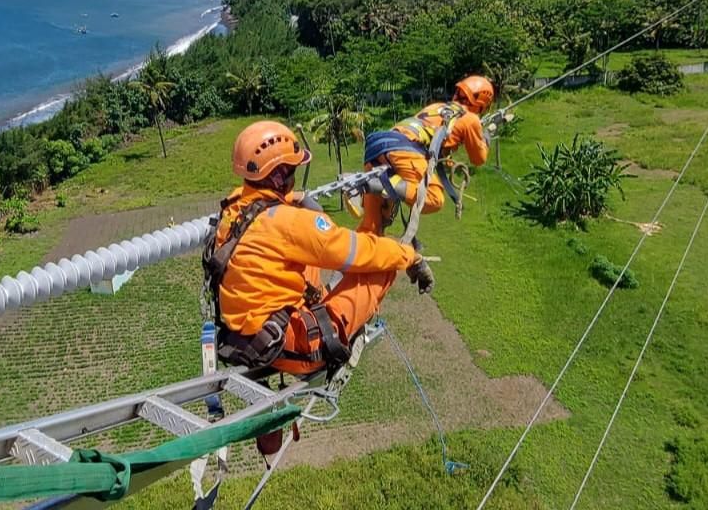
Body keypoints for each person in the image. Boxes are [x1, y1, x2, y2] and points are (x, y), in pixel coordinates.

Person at [205, 121, 434, 376]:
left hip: (249, 337)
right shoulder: (290, 223)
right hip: (292, 348)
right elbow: (357, 253)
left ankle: (316, 305)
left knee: (306, 260)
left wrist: (298, 197)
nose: (293, 177)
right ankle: (335, 325)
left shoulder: (234, 207)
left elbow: (272, 207)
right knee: (384, 263)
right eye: (291, 170)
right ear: (278, 175)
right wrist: (409, 256)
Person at [358, 75, 495, 235]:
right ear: (482, 104)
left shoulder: (437, 107)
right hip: (404, 148)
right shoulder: (470, 119)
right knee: (433, 198)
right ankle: (379, 184)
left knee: (372, 226)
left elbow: (433, 139)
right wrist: (485, 138)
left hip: (378, 145)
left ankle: (365, 247)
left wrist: (448, 154)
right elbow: (478, 159)